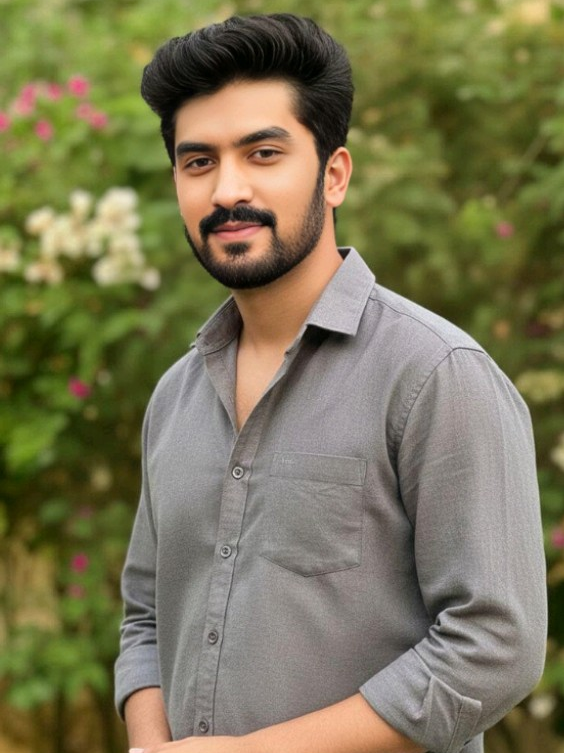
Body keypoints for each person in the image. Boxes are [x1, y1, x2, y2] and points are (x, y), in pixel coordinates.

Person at [114, 13, 547, 753]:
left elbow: (494, 646)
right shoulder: (175, 397)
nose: (227, 189)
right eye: (198, 162)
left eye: (263, 153)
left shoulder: (436, 375)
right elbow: (146, 619)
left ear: (334, 173)